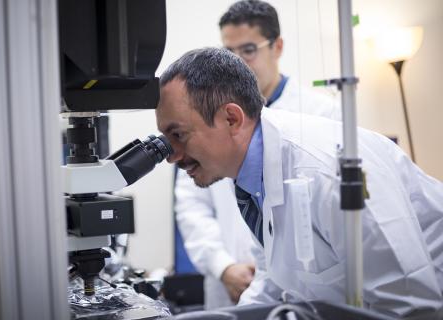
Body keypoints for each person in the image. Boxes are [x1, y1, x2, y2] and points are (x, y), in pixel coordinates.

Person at [157, 47, 443, 317]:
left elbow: (412, 307)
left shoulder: (325, 171)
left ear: (231, 119)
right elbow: (274, 276)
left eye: (178, 135)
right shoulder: (248, 177)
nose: (172, 156)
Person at [174, 0, 340, 309]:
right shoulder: (209, 119)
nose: (237, 63)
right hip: (230, 281)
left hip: (307, 282)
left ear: (277, 46)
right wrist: (223, 266)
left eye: (248, 50)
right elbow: (191, 206)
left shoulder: (321, 113)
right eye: (229, 52)